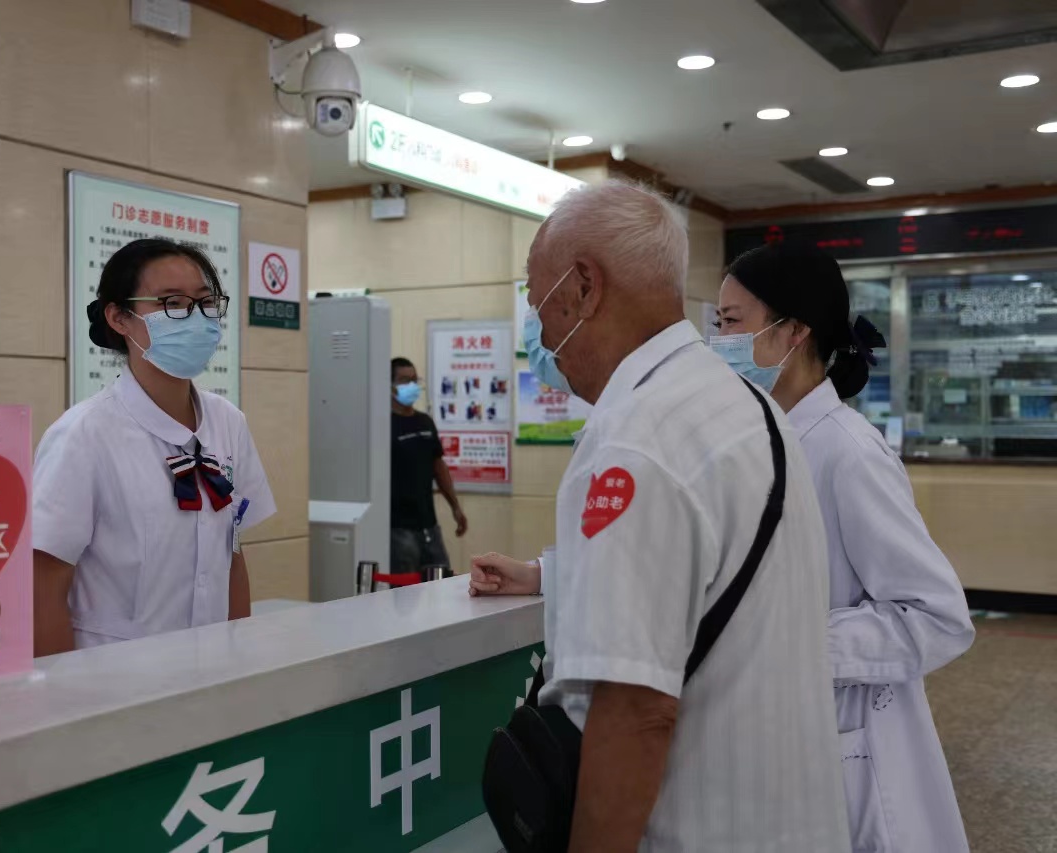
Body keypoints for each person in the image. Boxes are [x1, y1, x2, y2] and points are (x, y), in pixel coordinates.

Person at [469, 181, 849, 852]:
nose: (540, 333)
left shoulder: (633, 440)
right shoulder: (745, 405)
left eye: (538, 305)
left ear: (584, 286)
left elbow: (634, 710)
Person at [713, 242, 974, 853]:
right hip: (766, 737)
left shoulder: (848, 452)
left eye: (731, 323)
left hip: (842, 742)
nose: (719, 343)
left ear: (794, 331)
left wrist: (789, 643)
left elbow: (938, 616)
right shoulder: (758, 437)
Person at [32, 238, 275, 654]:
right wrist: (63, 703)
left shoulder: (227, 422)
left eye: (204, 302)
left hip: (211, 673)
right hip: (112, 683)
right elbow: (42, 586)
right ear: (120, 318)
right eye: (172, 303)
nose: (195, 318)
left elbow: (232, 556)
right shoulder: (83, 434)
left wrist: (239, 665)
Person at [390, 357, 466, 575]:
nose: (411, 386)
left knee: (441, 584)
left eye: (414, 380)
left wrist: (455, 507)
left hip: (429, 525)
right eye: (404, 380)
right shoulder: (384, 424)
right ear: (390, 386)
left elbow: (438, 467)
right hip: (398, 529)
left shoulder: (425, 422)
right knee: (404, 597)